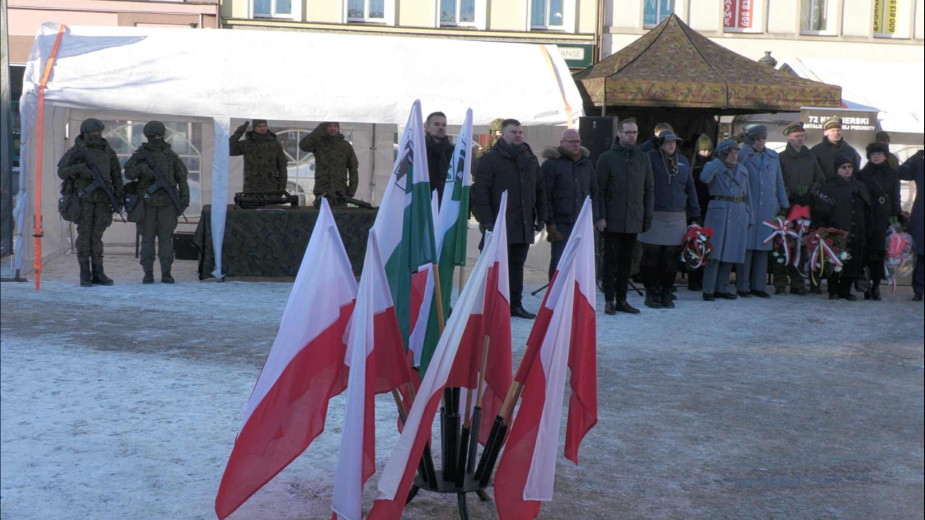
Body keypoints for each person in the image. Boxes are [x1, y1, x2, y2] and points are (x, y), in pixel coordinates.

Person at [472, 119, 547, 319]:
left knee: (516, 266)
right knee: (495, 266)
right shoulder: (490, 160)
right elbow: (480, 192)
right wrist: (487, 221)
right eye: (514, 132)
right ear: (503, 134)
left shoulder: (530, 159)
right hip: (498, 224)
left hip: (523, 223)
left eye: (520, 132)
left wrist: (542, 216)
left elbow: (540, 189)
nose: (518, 135)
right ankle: (491, 305)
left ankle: (515, 304)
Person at [56, 118, 125, 287]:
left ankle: (98, 272)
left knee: (97, 237)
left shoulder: (108, 151)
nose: (96, 135)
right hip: (83, 200)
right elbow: (62, 171)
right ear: (85, 133)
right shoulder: (76, 151)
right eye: (92, 132)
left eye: (98, 132)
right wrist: (80, 169)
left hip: (102, 200)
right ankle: (85, 273)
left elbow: (116, 175)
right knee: (85, 236)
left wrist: (119, 197)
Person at [596, 118, 654, 315]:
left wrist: (647, 216)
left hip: (633, 219)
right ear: (619, 133)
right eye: (628, 132)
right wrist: (600, 216)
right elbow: (599, 190)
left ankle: (622, 299)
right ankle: (609, 300)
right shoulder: (607, 158)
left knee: (627, 261)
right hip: (612, 219)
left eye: (634, 132)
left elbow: (649, 189)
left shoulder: (643, 159)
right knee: (610, 260)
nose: (631, 136)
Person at [123, 121, 191, 284]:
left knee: (166, 240)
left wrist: (184, 201)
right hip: (146, 204)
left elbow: (182, 178)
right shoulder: (140, 155)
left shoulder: (171, 156)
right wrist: (142, 169)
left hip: (167, 204)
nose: (156, 138)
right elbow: (129, 174)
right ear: (147, 137)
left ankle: (166, 272)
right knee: (147, 240)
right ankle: (148, 273)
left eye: (159, 135)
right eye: (153, 136)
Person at [639, 131, 699, 309]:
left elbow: (690, 187)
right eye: (667, 142)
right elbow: (637, 155)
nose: (671, 145)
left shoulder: (683, 161)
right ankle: (651, 292)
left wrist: (695, 213)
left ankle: (666, 292)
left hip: (676, 215)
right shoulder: (650, 157)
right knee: (651, 256)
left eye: (674, 142)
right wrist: (651, 142)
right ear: (660, 143)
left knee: (670, 258)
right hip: (654, 214)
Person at [736, 125, 789, 298]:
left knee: (763, 248)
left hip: (767, 208)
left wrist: (784, 204)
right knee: (747, 248)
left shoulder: (773, 156)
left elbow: (778, 182)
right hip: (749, 206)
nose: (761, 142)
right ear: (750, 140)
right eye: (757, 139)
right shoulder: (743, 155)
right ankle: (743, 286)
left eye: (763, 138)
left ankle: (759, 286)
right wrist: (746, 148)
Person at [540, 128, 601, 281]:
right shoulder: (550, 165)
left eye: (578, 141)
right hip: (561, 223)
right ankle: (555, 293)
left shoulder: (587, 164)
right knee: (559, 261)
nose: (576, 145)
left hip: (583, 221)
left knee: (581, 262)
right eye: (572, 141)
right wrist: (550, 223)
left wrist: (595, 218)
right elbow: (545, 196)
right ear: (562, 143)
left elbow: (594, 192)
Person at [774, 120, 826, 295]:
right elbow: (778, 180)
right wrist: (790, 195)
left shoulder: (810, 157)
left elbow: (820, 178)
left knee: (801, 245)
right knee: (783, 244)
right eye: (796, 136)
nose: (800, 139)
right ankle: (780, 282)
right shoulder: (781, 158)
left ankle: (797, 282)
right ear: (789, 138)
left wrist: (810, 194)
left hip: (805, 208)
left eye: (802, 136)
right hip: (787, 207)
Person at [812, 155, 871, 300]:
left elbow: (866, 208)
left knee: (852, 261)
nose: (847, 170)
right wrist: (824, 228)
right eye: (843, 167)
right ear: (837, 169)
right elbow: (821, 209)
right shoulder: (829, 186)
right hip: (836, 230)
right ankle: (833, 289)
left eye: (849, 167)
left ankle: (845, 290)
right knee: (834, 260)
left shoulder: (859, 185)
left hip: (855, 229)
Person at [699, 139, 750, 301]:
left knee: (731, 251)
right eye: (730, 153)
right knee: (714, 251)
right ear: (722, 154)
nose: (734, 156)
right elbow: (704, 178)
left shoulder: (743, 169)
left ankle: (722, 287)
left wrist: (748, 215)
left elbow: (747, 194)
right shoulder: (713, 166)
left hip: (738, 210)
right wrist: (718, 161)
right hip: (719, 211)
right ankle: (708, 289)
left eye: (736, 153)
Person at [857, 142, 902, 300]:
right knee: (867, 253)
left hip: (884, 218)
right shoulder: (862, 174)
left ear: (885, 155)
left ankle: (876, 285)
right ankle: (867, 285)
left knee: (880, 253)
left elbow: (896, 199)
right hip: (867, 217)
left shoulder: (892, 174)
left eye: (879, 154)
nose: (876, 157)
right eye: (873, 154)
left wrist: (896, 221)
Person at [298, 122, 359, 206]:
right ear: (325, 128)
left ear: (338, 128)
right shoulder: (319, 143)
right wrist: (318, 130)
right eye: (330, 126)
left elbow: (353, 168)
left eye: (335, 126)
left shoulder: (345, 146)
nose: (333, 128)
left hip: (340, 192)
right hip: (322, 190)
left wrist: (350, 192)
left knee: (340, 214)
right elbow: (303, 146)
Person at [686, 133, 714, 291]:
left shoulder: (712, 169)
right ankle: (694, 279)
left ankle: (704, 278)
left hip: (710, 211)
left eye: (708, 151)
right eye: (703, 151)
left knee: (707, 245)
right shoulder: (693, 171)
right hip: (697, 212)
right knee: (695, 246)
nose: (706, 154)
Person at [229, 119, 288, 193]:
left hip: (271, 187)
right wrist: (239, 132)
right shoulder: (248, 143)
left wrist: (282, 187)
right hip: (252, 188)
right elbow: (229, 150)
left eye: (264, 126)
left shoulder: (274, 144)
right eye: (259, 126)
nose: (262, 128)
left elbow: (282, 166)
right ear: (254, 128)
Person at [898, 150, 924, 301]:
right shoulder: (920, 163)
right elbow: (901, 172)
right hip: (922, 212)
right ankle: (919, 290)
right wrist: (915, 157)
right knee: (921, 255)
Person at [425, 111, 454, 204]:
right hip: (425, 200)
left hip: (446, 201)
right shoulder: (419, 151)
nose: (441, 127)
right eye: (437, 124)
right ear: (427, 127)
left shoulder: (453, 152)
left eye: (444, 125)